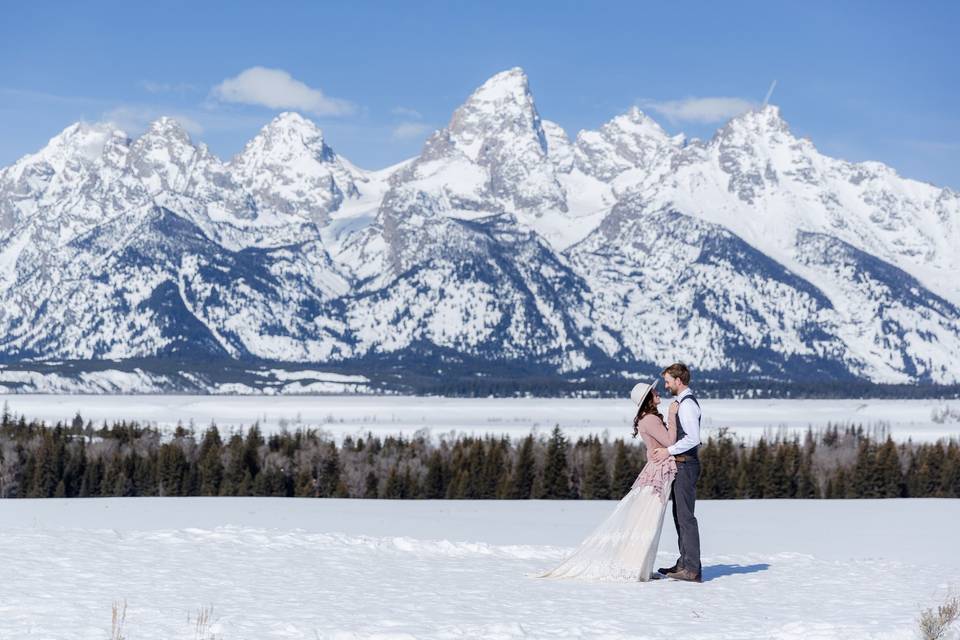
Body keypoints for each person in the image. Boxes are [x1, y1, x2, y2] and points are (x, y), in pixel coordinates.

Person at [536, 380, 677, 582]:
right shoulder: (651, 420)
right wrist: (672, 415)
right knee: (649, 519)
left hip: (655, 469)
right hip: (658, 472)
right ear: (648, 399)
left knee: (647, 519)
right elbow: (670, 442)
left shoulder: (644, 419)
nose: (657, 392)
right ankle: (636, 566)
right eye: (653, 391)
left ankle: (638, 565)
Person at [649, 362, 702, 582]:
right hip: (682, 464)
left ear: (679, 381)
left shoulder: (687, 405)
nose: (666, 385)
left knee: (686, 517)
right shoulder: (682, 403)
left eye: (668, 381)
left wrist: (668, 451)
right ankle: (684, 562)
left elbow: (692, 438)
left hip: (686, 464)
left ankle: (691, 569)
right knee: (679, 515)